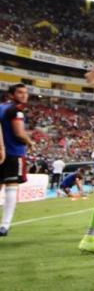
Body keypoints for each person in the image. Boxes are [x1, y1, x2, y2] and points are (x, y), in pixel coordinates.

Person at [0, 84, 34, 236]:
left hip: (1, 152)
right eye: (20, 92)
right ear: (11, 94)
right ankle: (5, 225)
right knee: (11, 187)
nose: (24, 95)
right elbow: (19, 133)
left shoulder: (1, 107)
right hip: (14, 153)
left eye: (26, 92)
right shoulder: (16, 111)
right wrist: (30, 142)